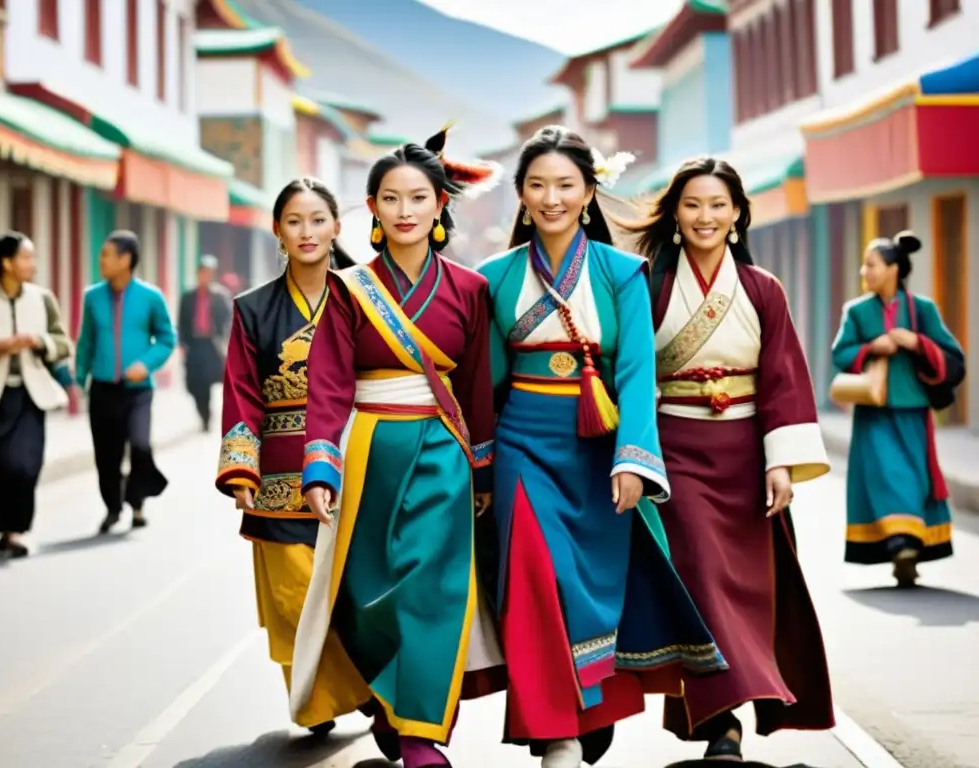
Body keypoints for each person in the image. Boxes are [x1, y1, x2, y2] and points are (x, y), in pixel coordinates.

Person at [478, 126, 725, 768]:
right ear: (522, 197)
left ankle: (590, 703)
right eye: (537, 185)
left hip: (599, 448)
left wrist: (634, 460)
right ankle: (554, 730)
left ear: (589, 192)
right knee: (535, 578)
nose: (552, 197)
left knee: (589, 586)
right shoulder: (495, 278)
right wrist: (479, 464)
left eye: (565, 185)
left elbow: (638, 374)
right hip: (523, 449)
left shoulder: (622, 274)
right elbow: (486, 384)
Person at [289, 125, 504, 768]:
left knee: (431, 590)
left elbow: (477, 387)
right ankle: (385, 694)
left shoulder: (470, 289)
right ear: (372, 208)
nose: (405, 211)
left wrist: (483, 470)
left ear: (440, 206)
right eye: (390, 198)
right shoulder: (349, 288)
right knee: (364, 591)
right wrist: (321, 463)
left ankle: (420, 735)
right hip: (367, 449)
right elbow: (327, 382)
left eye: (418, 198)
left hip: (442, 451)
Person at [620, 157, 834, 761]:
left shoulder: (763, 289)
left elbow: (783, 380)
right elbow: (630, 371)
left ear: (738, 214)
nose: (705, 217)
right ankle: (724, 726)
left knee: (746, 591)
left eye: (718, 205)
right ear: (675, 215)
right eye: (692, 205)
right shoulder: (647, 283)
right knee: (702, 580)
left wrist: (781, 462)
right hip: (675, 453)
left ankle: (720, 718)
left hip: (744, 454)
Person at [215, 178, 368, 737]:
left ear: (336, 226)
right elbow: (241, 393)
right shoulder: (252, 309)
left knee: (355, 593)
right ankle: (325, 696)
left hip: (356, 465)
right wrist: (240, 467)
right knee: (294, 598)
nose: (307, 231)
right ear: (278, 230)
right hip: (279, 477)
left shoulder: (366, 299)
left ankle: (369, 690)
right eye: (294, 221)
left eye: (317, 219)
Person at [832, 231, 965, 587]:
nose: (865, 271)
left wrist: (916, 342)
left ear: (892, 268)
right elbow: (840, 354)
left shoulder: (922, 309)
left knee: (915, 477)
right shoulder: (857, 311)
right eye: (865, 265)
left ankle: (905, 546)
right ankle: (900, 545)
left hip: (914, 410)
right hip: (873, 412)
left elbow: (953, 356)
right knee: (887, 476)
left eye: (872, 265)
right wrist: (873, 346)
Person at [0, 232, 72, 557]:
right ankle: (4, 529)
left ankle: (18, 529)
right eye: (26, 258)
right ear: (7, 263)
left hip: (29, 399)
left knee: (23, 466)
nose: (32, 264)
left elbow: (63, 344)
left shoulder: (43, 299)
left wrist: (39, 341)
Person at [75, 230, 175, 533]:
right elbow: (86, 342)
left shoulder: (151, 297)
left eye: (106, 254)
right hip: (103, 389)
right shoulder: (92, 297)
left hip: (138, 391)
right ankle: (113, 508)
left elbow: (166, 339)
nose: (100, 260)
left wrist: (145, 364)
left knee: (141, 444)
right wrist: (79, 379)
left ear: (125, 259)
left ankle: (138, 499)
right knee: (107, 454)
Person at [178, 255, 231, 432]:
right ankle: (202, 410)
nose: (205, 276)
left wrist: (224, 340)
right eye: (202, 272)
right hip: (193, 344)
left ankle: (207, 416)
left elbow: (228, 321)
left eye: (208, 273)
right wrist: (182, 344)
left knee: (207, 381)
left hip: (211, 344)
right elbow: (182, 323)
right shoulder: (187, 297)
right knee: (193, 384)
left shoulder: (220, 296)